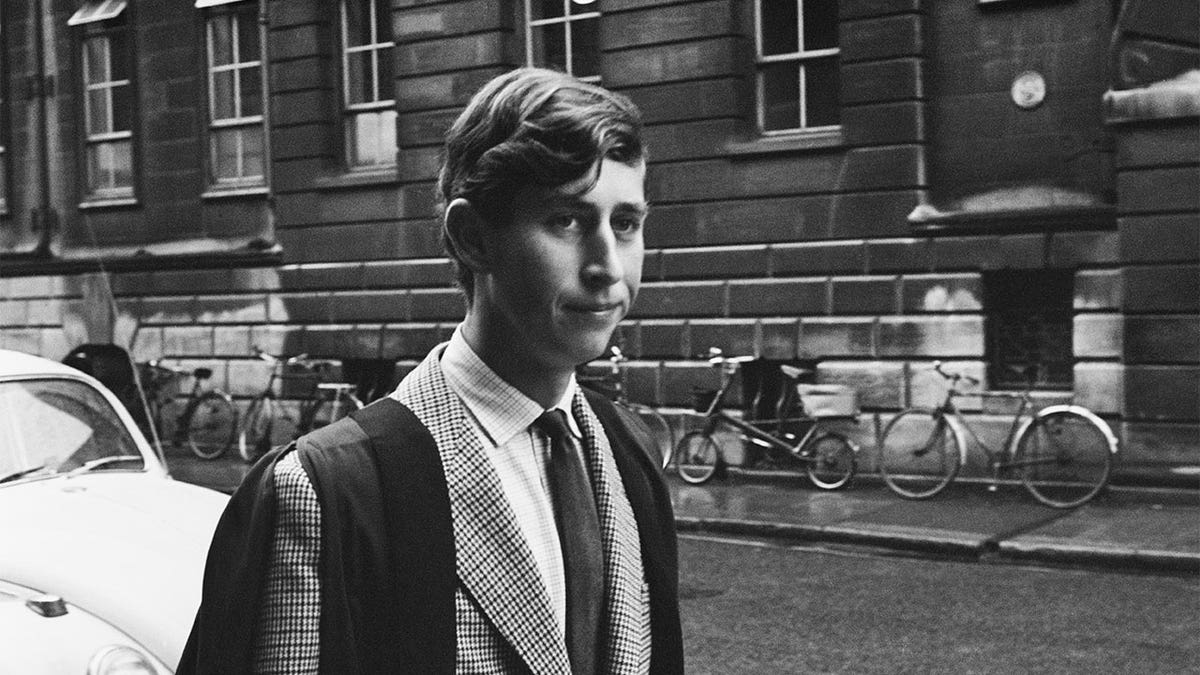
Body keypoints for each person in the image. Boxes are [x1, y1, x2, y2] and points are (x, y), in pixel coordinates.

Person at [178, 67, 683, 675]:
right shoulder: (325, 491)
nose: (607, 265)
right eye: (567, 221)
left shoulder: (632, 450)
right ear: (472, 238)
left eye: (625, 224)